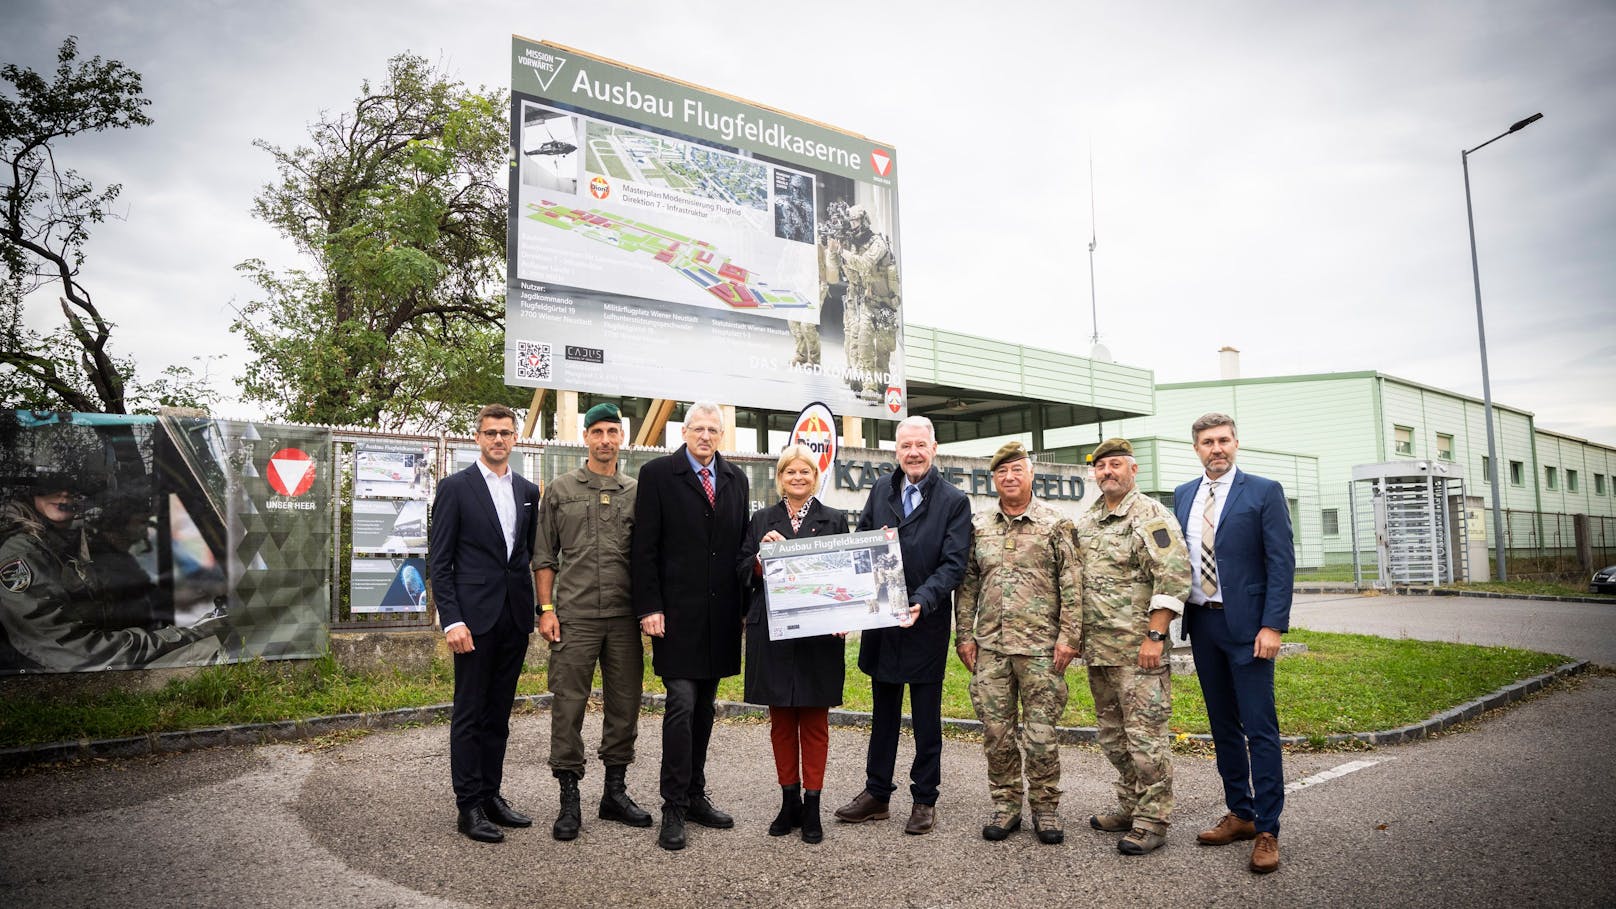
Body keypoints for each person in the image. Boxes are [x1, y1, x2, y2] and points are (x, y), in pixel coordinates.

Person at [834, 415, 970, 835]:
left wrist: (922, 601)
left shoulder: (953, 501)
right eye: (905, 445)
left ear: (934, 449)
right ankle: (877, 794)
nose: (913, 452)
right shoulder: (880, 490)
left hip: (923, 623)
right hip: (881, 622)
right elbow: (859, 547)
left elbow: (954, 565)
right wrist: (849, 608)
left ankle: (924, 799)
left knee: (926, 719)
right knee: (884, 713)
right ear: (897, 450)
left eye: (920, 445)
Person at [1173, 413, 1296, 874]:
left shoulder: (1264, 492)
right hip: (1203, 627)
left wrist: (1273, 627)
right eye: (1208, 442)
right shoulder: (1185, 494)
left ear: (1237, 444)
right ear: (1197, 448)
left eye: (1223, 440)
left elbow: (1281, 563)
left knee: (1259, 727)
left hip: (1248, 629)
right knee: (1222, 725)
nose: (1216, 448)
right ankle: (1240, 814)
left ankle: (1268, 829)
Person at [631, 401, 750, 851]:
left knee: (704, 708)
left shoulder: (736, 480)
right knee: (680, 704)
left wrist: (744, 605)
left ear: (721, 435)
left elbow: (741, 547)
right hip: (675, 616)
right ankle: (673, 806)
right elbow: (644, 548)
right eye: (698, 428)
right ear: (684, 432)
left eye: (713, 430)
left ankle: (696, 794)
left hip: (720, 617)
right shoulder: (659, 475)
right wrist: (649, 606)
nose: (705, 436)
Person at [532, 402, 653, 841]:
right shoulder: (562, 490)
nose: (605, 439)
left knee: (625, 706)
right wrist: (546, 610)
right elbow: (544, 557)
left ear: (622, 439)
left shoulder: (636, 491)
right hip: (575, 618)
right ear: (585, 437)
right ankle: (569, 799)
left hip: (623, 618)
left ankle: (614, 794)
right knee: (568, 706)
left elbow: (649, 555)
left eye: (612, 432)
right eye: (597, 431)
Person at [955, 442, 1081, 845]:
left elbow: (1073, 585)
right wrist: (964, 636)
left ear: (1030, 474)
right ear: (994, 478)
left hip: (1042, 649)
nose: (1009, 477)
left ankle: (1045, 808)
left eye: (1016, 470)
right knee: (997, 732)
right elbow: (968, 585)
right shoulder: (979, 526)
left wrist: (1069, 638)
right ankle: (1006, 805)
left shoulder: (1056, 523)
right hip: (991, 648)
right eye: (1001, 472)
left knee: (1041, 734)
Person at [428, 403, 542, 844]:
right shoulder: (456, 488)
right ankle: (468, 805)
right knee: (470, 712)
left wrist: (538, 611)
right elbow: (440, 562)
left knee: (499, 713)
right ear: (477, 437)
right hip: (472, 622)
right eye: (491, 432)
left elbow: (527, 556)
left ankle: (492, 795)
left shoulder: (529, 490)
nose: (498, 439)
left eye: (506, 432)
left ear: (516, 439)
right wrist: (451, 619)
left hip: (513, 617)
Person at [1074, 437, 1190, 856]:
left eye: (1116, 465)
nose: (1108, 472)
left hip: (1139, 652)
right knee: (1113, 737)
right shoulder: (1088, 520)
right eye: (1101, 466)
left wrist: (1155, 636)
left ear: (1133, 469)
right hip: (1100, 651)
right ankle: (1129, 805)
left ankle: (1153, 819)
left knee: (1146, 739)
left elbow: (1174, 577)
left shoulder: (1151, 516)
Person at [737, 444, 849, 845]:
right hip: (773, 633)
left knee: (815, 724)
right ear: (780, 477)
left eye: (805, 472)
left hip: (819, 636)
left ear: (815, 476)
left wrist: (845, 619)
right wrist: (760, 559)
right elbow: (741, 568)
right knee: (782, 723)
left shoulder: (834, 520)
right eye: (790, 472)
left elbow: (846, 577)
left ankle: (813, 807)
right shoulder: (762, 519)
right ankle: (789, 802)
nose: (798, 478)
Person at [0, 481, 226, 672]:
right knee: (220, 653)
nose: (65, 493)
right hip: (65, 680)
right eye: (52, 484)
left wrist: (197, 627)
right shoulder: (21, 554)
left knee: (226, 641)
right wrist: (186, 634)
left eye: (73, 485)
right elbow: (72, 652)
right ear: (31, 491)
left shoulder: (66, 545)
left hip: (102, 664)